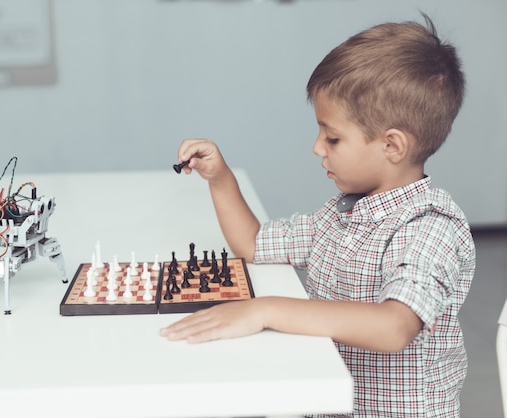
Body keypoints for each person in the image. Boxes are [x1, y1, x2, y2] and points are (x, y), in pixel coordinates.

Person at [160, 14, 475, 418]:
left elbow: (394, 327)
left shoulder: (430, 228)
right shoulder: (340, 213)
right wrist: (219, 178)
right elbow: (254, 244)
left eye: (332, 137)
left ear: (392, 145)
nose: (316, 148)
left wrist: (265, 309)